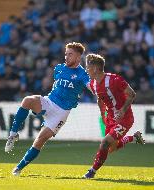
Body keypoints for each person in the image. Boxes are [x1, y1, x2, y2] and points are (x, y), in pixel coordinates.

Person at [5, 42, 91, 176]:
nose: (66, 57)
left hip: (61, 112)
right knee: (27, 100)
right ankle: (13, 133)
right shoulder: (59, 68)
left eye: (70, 54)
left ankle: (18, 168)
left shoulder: (82, 74)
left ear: (78, 57)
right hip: (50, 102)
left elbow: (92, 87)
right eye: (66, 54)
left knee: (39, 141)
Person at [83, 53, 145, 179]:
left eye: (87, 67)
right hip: (111, 118)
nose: (86, 70)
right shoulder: (94, 84)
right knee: (111, 148)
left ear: (95, 68)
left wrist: (122, 110)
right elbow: (100, 99)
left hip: (125, 118)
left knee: (105, 143)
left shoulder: (115, 80)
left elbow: (132, 94)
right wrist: (102, 114)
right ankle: (133, 138)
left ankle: (91, 172)